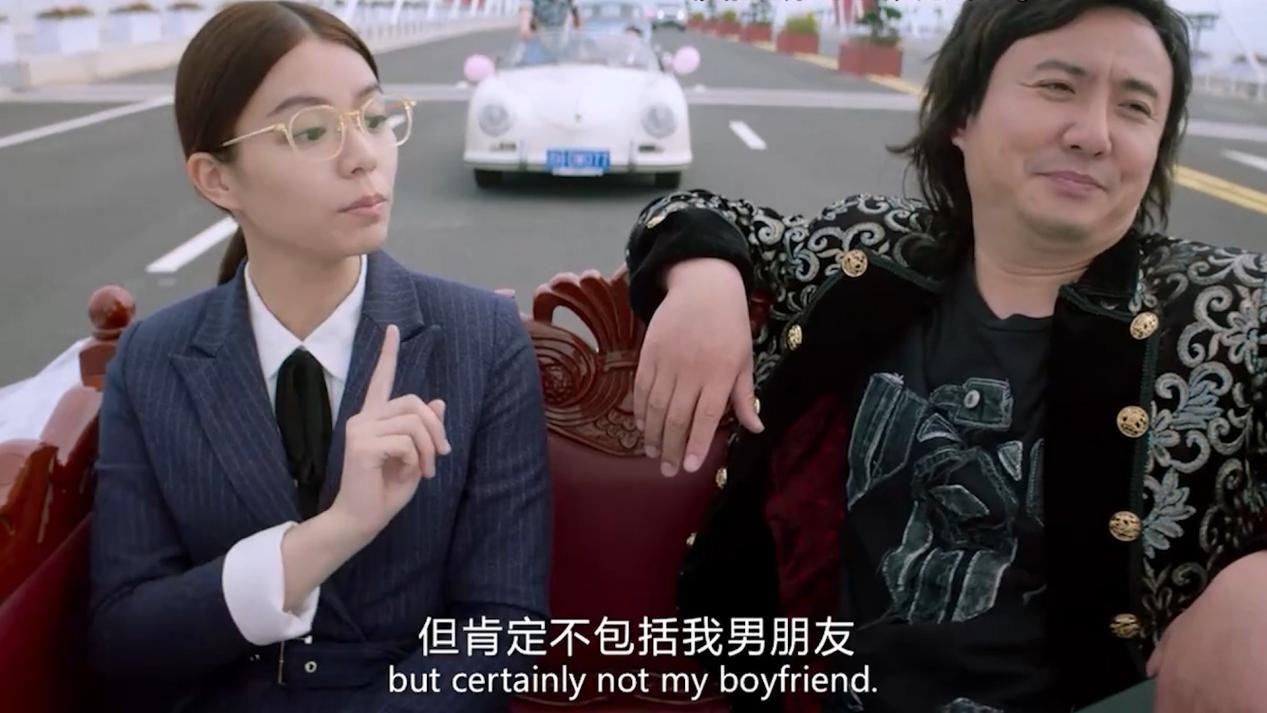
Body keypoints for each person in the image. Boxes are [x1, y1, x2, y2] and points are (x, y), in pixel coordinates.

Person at [621, 0, 1267, 711]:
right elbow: (691, 214)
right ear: (962, 113)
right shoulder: (864, 254)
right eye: (1057, 86)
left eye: (1136, 107)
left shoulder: (1228, 314)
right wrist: (704, 278)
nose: (1094, 134)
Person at [87, 3, 551, 711]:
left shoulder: (479, 339)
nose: (363, 154)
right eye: (310, 130)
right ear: (217, 179)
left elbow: (504, 627)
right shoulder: (154, 359)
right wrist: (335, 532)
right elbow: (127, 637)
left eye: (373, 117)